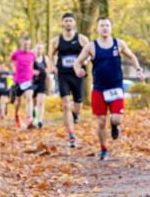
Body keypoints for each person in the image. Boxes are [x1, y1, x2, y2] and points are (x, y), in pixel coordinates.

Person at [74, 16, 144, 160]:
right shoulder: (91, 47)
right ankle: (104, 149)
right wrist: (78, 70)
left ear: (111, 28)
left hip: (115, 87)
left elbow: (132, 56)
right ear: (97, 29)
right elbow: (77, 62)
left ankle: (114, 126)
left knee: (117, 119)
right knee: (100, 122)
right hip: (99, 89)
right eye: (102, 25)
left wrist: (138, 70)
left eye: (107, 25)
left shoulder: (119, 44)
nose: (104, 28)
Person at [49, 12, 88, 148]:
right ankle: (71, 135)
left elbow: (90, 53)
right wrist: (53, 67)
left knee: (78, 106)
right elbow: (50, 56)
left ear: (74, 23)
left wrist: (85, 63)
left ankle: (75, 115)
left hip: (77, 75)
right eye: (66, 21)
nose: (68, 23)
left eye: (70, 21)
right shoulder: (56, 41)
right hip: (63, 75)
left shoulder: (82, 39)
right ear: (62, 23)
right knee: (65, 104)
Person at [10, 36, 36, 129]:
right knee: (18, 102)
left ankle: (29, 120)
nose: (27, 46)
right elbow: (11, 61)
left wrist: (32, 71)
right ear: (21, 44)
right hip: (18, 80)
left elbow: (32, 64)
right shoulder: (16, 53)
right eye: (25, 44)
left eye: (28, 44)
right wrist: (13, 69)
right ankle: (16, 115)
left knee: (29, 98)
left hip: (28, 80)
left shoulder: (32, 54)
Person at [32, 42, 48, 128]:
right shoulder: (32, 58)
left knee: (41, 102)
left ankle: (40, 120)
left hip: (42, 82)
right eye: (38, 48)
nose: (39, 50)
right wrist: (33, 72)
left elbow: (49, 69)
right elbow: (28, 69)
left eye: (41, 48)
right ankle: (35, 116)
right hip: (33, 82)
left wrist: (46, 71)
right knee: (34, 102)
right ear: (35, 49)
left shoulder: (45, 58)